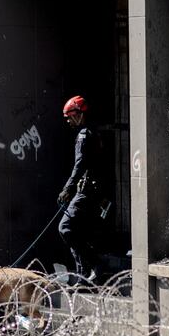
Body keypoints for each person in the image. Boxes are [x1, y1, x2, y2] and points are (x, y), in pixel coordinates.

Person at [58, 96, 102, 283]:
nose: (68, 120)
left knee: (65, 227)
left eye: (70, 116)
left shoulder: (84, 135)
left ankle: (93, 266)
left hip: (87, 191)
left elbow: (80, 164)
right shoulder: (91, 131)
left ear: (79, 114)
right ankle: (83, 275)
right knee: (78, 231)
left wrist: (67, 188)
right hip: (91, 190)